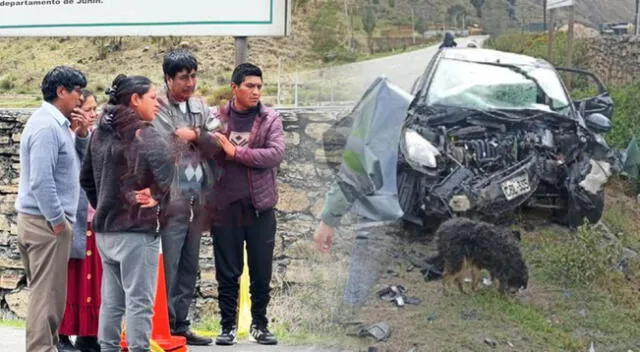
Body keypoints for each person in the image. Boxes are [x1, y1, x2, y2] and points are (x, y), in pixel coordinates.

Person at [80, 74, 174, 352]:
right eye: (153, 97)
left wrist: (106, 203)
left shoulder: (100, 132)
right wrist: (157, 198)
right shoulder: (145, 133)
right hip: (136, 231)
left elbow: (85, 179)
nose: (158, 103)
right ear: (135, 99)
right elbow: (170, 177)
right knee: (139, 303)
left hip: (106, 233)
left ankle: (107, 348)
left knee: (111, 301)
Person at [206, 62, 285, 346]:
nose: (255, 92)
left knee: (261, 271)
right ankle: (227, 326)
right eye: (250, 86)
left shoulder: (269, 119)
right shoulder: (216, 117)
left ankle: (260, 325)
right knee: (227, 271)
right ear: (234, 87)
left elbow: (275, 154)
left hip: (259, 208)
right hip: (225, 209)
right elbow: (202, 151)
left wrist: (235, 152)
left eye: (259, 87)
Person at [15, 65, 90, 352]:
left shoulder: (58, 125)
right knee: (46, 298)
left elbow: (73, 166)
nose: (80, 99)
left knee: (49, 296)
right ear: (61, 91)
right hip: (45, 225)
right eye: (77, 92)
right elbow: (41, 181)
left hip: (45, 223)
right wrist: (59, 222)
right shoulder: (47, 126)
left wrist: (81, 134)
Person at [151, 48, 218, 346]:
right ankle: (164, 326)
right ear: (168, 78)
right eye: (183, 78)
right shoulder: (157, 109)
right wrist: (198, 136)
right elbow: (168, 148)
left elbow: (218, 141)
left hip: (198, 200)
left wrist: (195, 136)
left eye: (193, 76)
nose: (190, 83)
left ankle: (181, 324)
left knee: (190, 266)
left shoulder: (200, 105)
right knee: (170, 265)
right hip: (171, 202)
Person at [58, 89, 102, 352]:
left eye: (95, 108)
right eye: (88, 109)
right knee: (69, 280)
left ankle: (89, 333)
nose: (93, 114)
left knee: (93, 280)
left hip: (94, 219)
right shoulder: (65, 138)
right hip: (72, 219)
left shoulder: (97, 137)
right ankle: (62, 333)